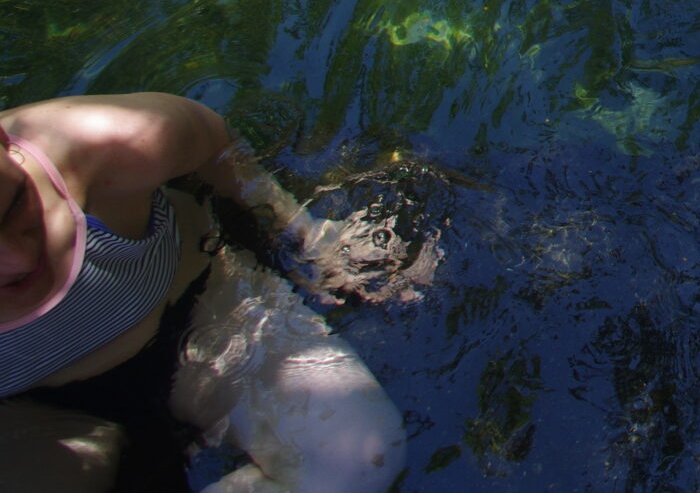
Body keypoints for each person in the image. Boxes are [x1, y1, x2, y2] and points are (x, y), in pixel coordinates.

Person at [0, 92, 411, 493]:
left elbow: (212, 143)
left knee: (357, 461)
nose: (18, 259)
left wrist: (306, 234)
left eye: (13, 205)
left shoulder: (105, 143)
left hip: (202, 318)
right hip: (32, 411)